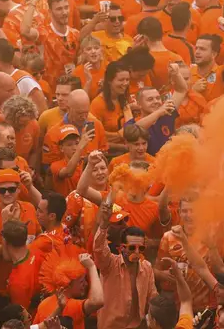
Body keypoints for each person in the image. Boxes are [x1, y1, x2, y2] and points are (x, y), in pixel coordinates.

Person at [94, 198, 157, 329]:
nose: (137, 252)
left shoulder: (147, 267)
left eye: (141, 248)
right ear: (122, 248)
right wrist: (104, 224)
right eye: (132, 248)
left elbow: (153, 298)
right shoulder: (110, 264)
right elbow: (99, 248)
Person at [129, 62, 187, 155]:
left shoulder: (167, 113)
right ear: (139, 104)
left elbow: (181, 90)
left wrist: (176, 74)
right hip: (146, 165)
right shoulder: (132, 123)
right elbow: (134, 131)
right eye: (150, 99)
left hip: (168, 162)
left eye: (158, 98)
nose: (156, 101)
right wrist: (159, 112)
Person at [43, 89, 109, 166]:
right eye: (80, 113)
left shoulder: (97, 125)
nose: (84, 117)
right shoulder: (53, 134)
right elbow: (49, 170)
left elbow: (105, 154)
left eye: (86, 113)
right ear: (68, 109)